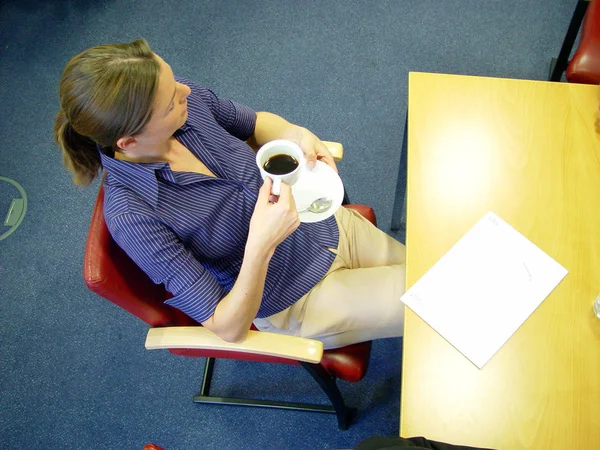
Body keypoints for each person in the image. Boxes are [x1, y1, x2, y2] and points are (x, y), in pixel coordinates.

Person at [54, 39, 406, 349]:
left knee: (440, 267)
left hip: (324, 224)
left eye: (174, 80)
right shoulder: (133, 216)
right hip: (298, 297)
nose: (185, 91)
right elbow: (228, 327)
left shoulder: (182, 103)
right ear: (128, 142)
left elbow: (253, 124)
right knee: (443, 296)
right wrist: (261, 244)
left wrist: (292, 132)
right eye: (169, 103)